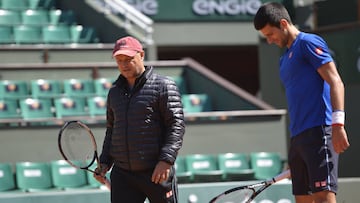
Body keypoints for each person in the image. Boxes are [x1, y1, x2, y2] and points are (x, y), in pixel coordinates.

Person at [253, 2, 350, 203]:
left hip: (319, 131)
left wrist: (338, 123)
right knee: (302, 200)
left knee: (323, 198)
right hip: (299, 138)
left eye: (270, 34)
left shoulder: (308, 42)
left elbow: (335, 81)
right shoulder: (283, 60)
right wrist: (297, 148)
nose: (270, 41)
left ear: (283, 24)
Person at [94, 36, 185, 203]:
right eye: (119, 60)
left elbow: (176, 126)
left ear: (141, 55)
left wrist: (166, 160)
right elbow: (112, 130)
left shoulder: (164, 86)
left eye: (128, 59)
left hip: (156, 171)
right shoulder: (114, 92)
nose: (123, 64)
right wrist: (105, 162)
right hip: (123, 175)